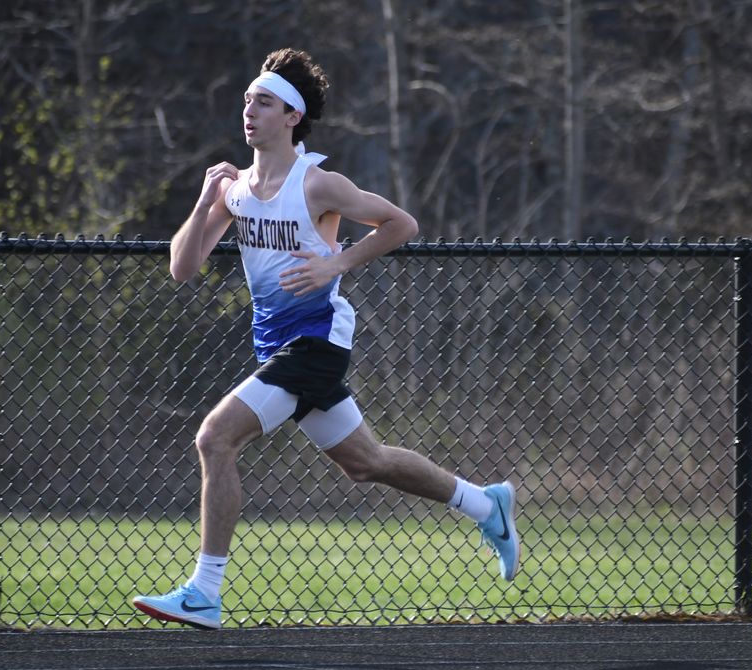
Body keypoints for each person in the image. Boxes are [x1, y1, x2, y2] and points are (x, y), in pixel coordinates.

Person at [131, 48, 520, 630]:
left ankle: (203, 592)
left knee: (215, 438)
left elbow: (401, 224)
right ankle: (485, 503)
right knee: (366, 462)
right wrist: (204, 198)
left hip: (315, 341)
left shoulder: (318, 184)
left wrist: (334, 267)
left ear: (290, 116)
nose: (249, 110)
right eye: (247, 100)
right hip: (278, 346)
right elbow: (182, 267)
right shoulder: (234, 190)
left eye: (262, 101)